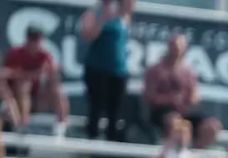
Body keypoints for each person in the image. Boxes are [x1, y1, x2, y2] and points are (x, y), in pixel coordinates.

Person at [78, 0, 133, 141]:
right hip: (97, 69)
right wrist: (102, 19)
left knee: (115, 111)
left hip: (119, 70)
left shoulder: (123, 14)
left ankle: (111, 142)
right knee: (96, 107)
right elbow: (88, 36)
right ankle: (92, 140)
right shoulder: (93, 12)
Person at [2, 26, 68, 138]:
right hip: (16, 100)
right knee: (23, 85)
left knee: (57, 89)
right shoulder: (16, 53)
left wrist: (48, 71)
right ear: (27, 39)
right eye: (32, 38)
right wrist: (26, 74)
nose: (34, 42)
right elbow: (4, 73)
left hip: (38, 99)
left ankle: (61, 126)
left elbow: (53, 73)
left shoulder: (44, 56)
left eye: (37, 39)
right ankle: (22, 124)